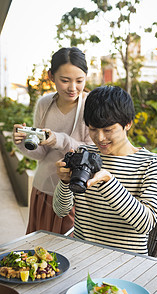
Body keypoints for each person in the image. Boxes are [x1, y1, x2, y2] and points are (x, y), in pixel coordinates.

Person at [53, 85, 157, 254]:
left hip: (126, 262)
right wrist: (64, 182)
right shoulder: (84, 156)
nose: (99, 138)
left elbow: (146, 225)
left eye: (108, 130)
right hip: (82, 256)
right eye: (93, 129)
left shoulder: (151, 164)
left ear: (127, 124)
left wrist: (109, 182)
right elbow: (60, 211)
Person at [13, 47, 93, 234]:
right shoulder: (44, 103)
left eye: (79, 81)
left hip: (75, 193)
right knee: (39, 253)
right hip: (43, 189)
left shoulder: (90, 105)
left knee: (70, 253)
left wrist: (59, 139)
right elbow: (41, 154)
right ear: (51, 76)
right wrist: (24, 142)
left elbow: (93, 152)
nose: (73, 88)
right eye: (65, 80)